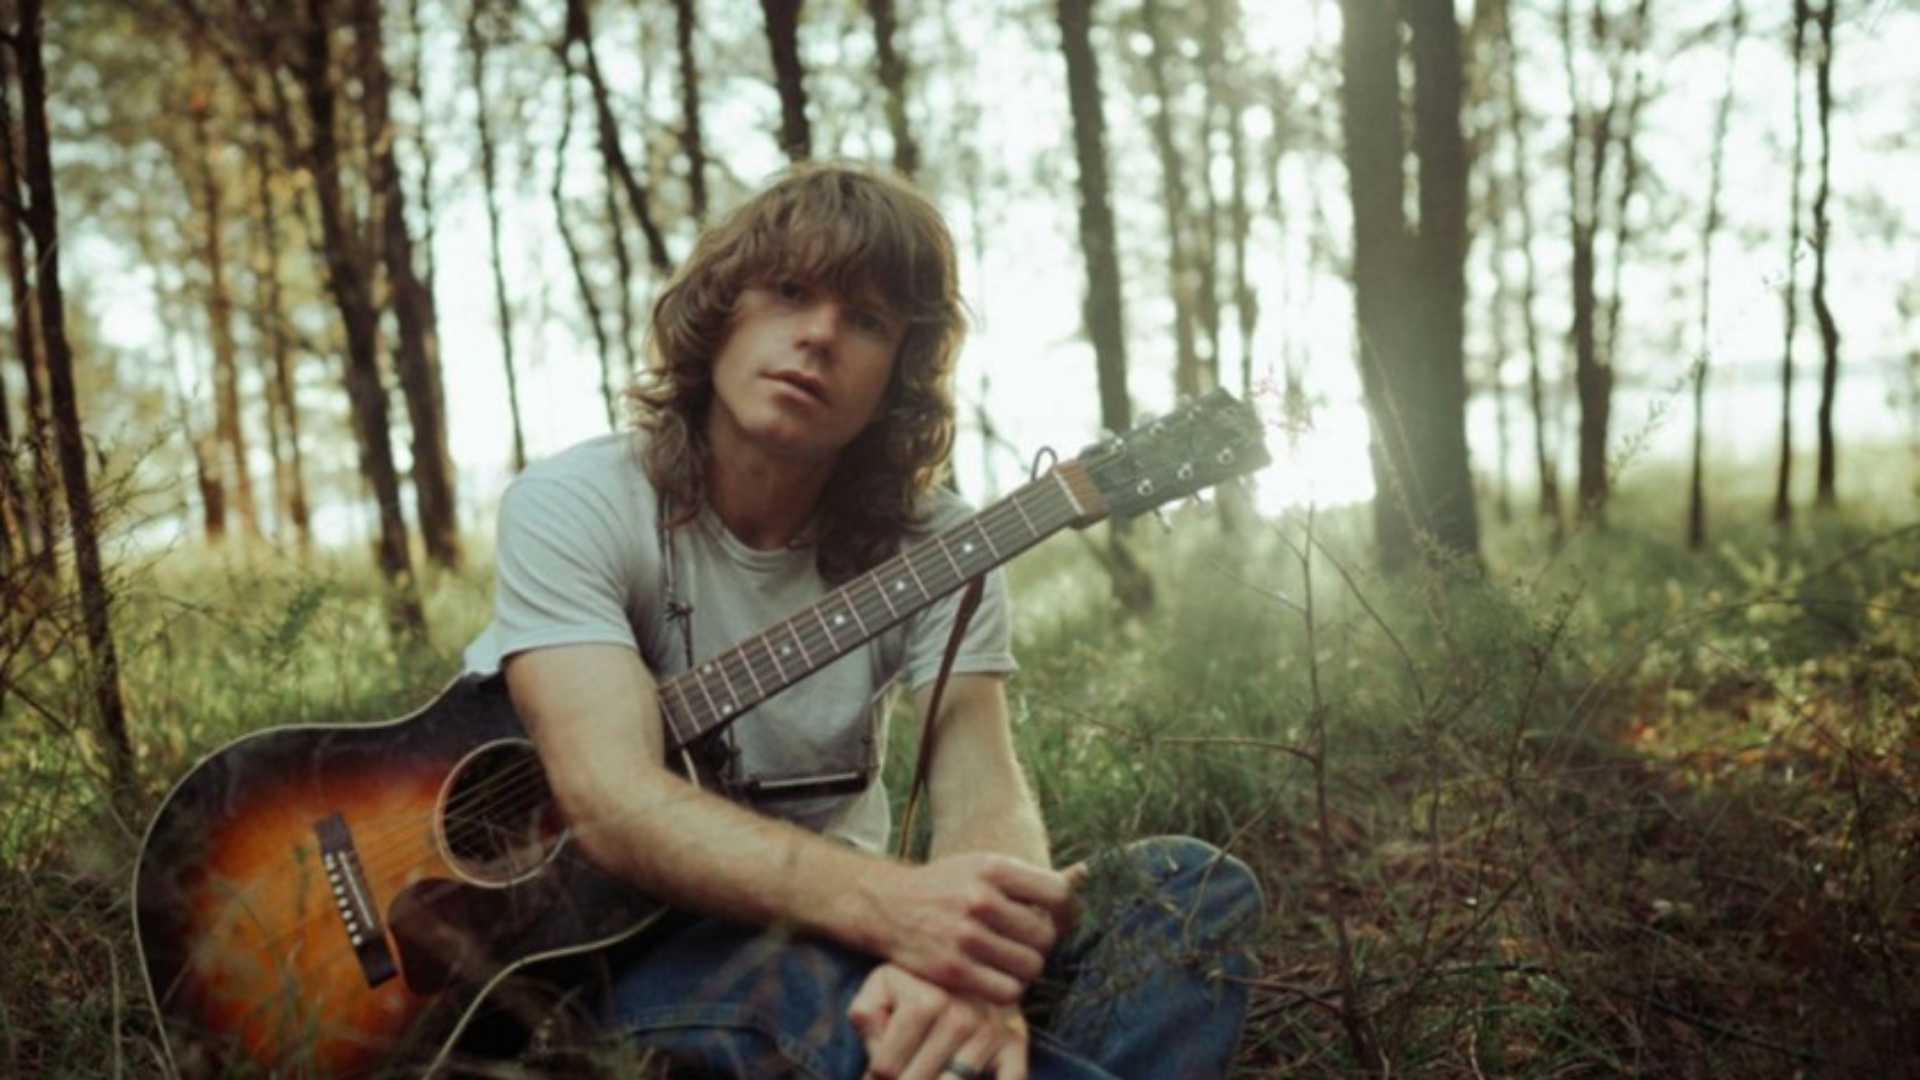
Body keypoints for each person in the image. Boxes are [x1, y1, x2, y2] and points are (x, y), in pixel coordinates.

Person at [463, 162, 1262, 1080]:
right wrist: (899, 912)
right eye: (791, 292)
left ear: (899, 375)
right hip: (646, 947)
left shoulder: (945, 544)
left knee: (1190, 892)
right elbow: (614, 801)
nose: (818, 336)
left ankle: (948, 1043)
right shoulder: (579, 502)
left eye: (870, 321)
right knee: (816, 988)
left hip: (866, 935)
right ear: (721, 309)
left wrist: (974, 970)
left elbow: (979, 785)